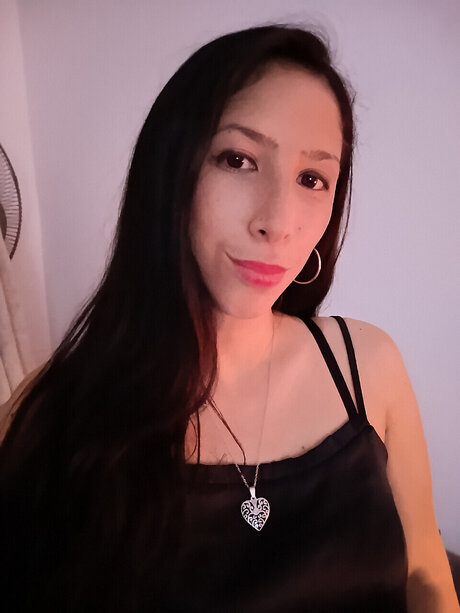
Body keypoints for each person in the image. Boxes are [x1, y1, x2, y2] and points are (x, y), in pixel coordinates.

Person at [0, 23, 458, 613]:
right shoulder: (51, 416)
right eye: (238, 159)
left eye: (312, 178)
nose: (278, 221)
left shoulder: (367, 366)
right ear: (172, 172)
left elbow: (424, 569)